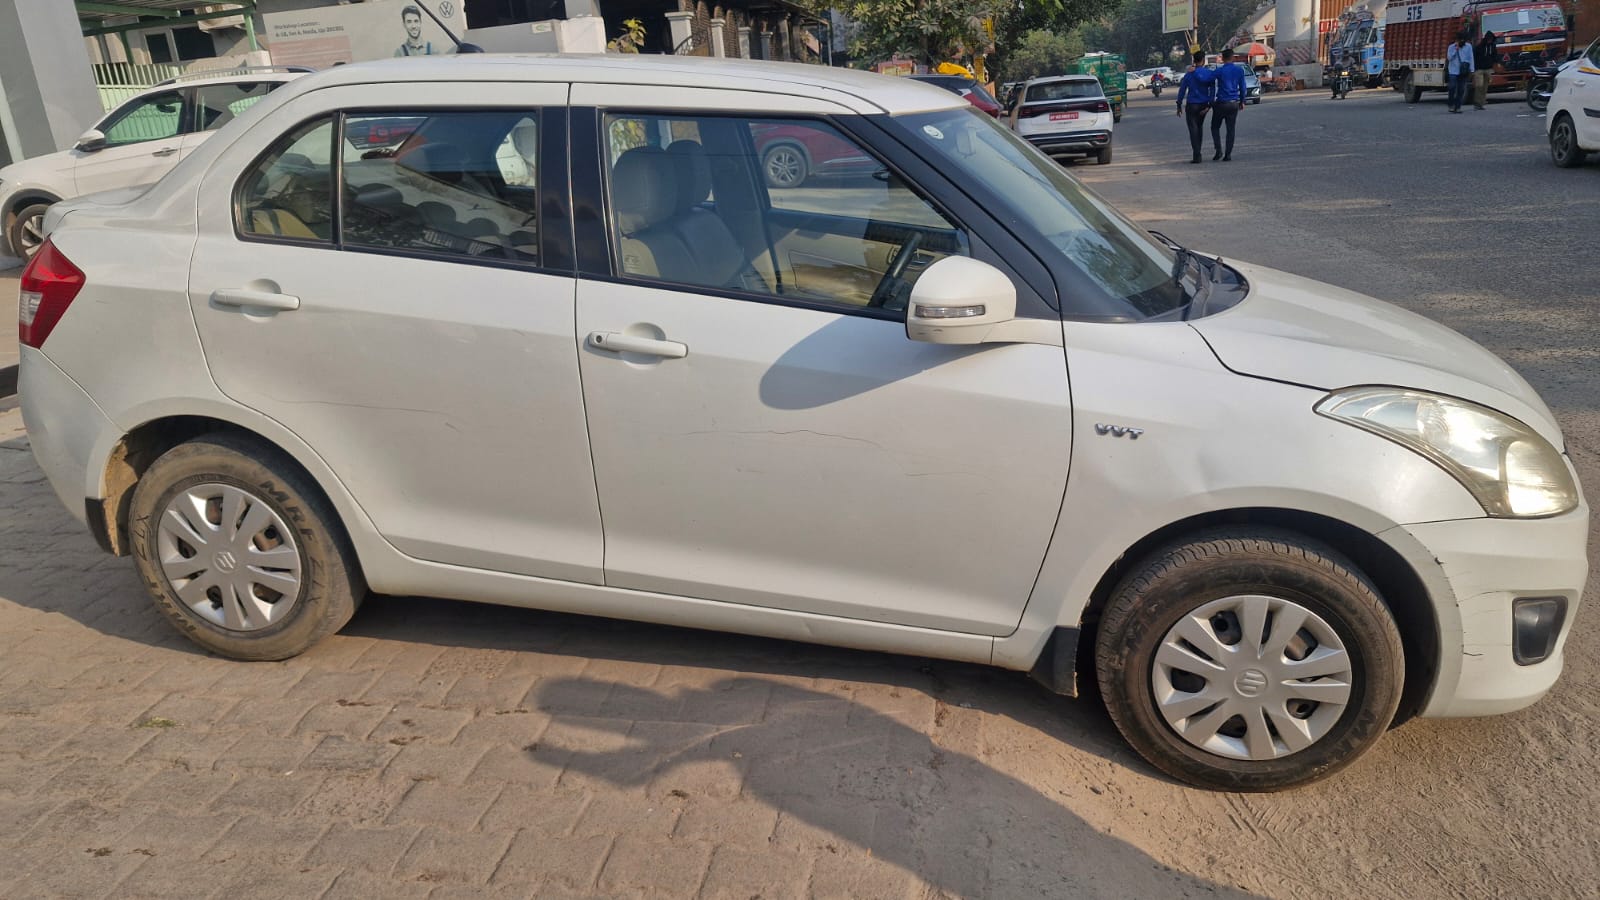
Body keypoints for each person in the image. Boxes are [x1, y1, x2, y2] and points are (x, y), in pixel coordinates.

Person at [1175, 51, 1216, 164]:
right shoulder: (1208, 73)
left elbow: (1182, 90)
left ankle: (1197, 154)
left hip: (1192, 105)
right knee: (1200, 127)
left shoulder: (1189, 74)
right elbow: (1212, 89)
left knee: (1193, 129)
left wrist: (1179, 105)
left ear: (1194, 60)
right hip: (1204, 105)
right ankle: (1198, 152)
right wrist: (1209, 104)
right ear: (1203, 60)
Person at [1209, 47, 1246, 161]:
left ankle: (1218, 150)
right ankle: (1228, 154)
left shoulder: (1219, 71)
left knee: (1215, 127)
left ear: (1223, 59)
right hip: (1233, 103)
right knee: (1230, 129)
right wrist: (1242, 101)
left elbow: (1207, 78)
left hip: (1221, 103)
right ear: (1232, 57)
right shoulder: (1239, 70)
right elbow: (1243, 87)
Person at [1446, 31, 1475, 113]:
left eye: (1463, 40)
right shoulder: (1451, 47)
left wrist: (1472, 70)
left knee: (1461, 89)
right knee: (1452, 87)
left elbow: (1471, 58)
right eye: (1460, 40)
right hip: (1453, 70)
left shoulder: (1468, 46)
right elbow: (1449, 58)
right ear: (1457, 40)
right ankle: (1451, 104)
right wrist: (1456, 49)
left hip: (1463, 71)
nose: (1462, 41)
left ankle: (1458, 107)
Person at [1473, 29, 1497, 109]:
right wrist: (1474, 68)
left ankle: (1481, 103)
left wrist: (1495, 63)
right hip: (1479, 69)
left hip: (1488, 68)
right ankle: (1477, 102)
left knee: (1485, 87)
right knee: (1479, 85)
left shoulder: (1493, 46)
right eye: (1489, 39)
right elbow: (1475, 56)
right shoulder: (1479, 46)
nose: (1490, 40)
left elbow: (1495, 55)